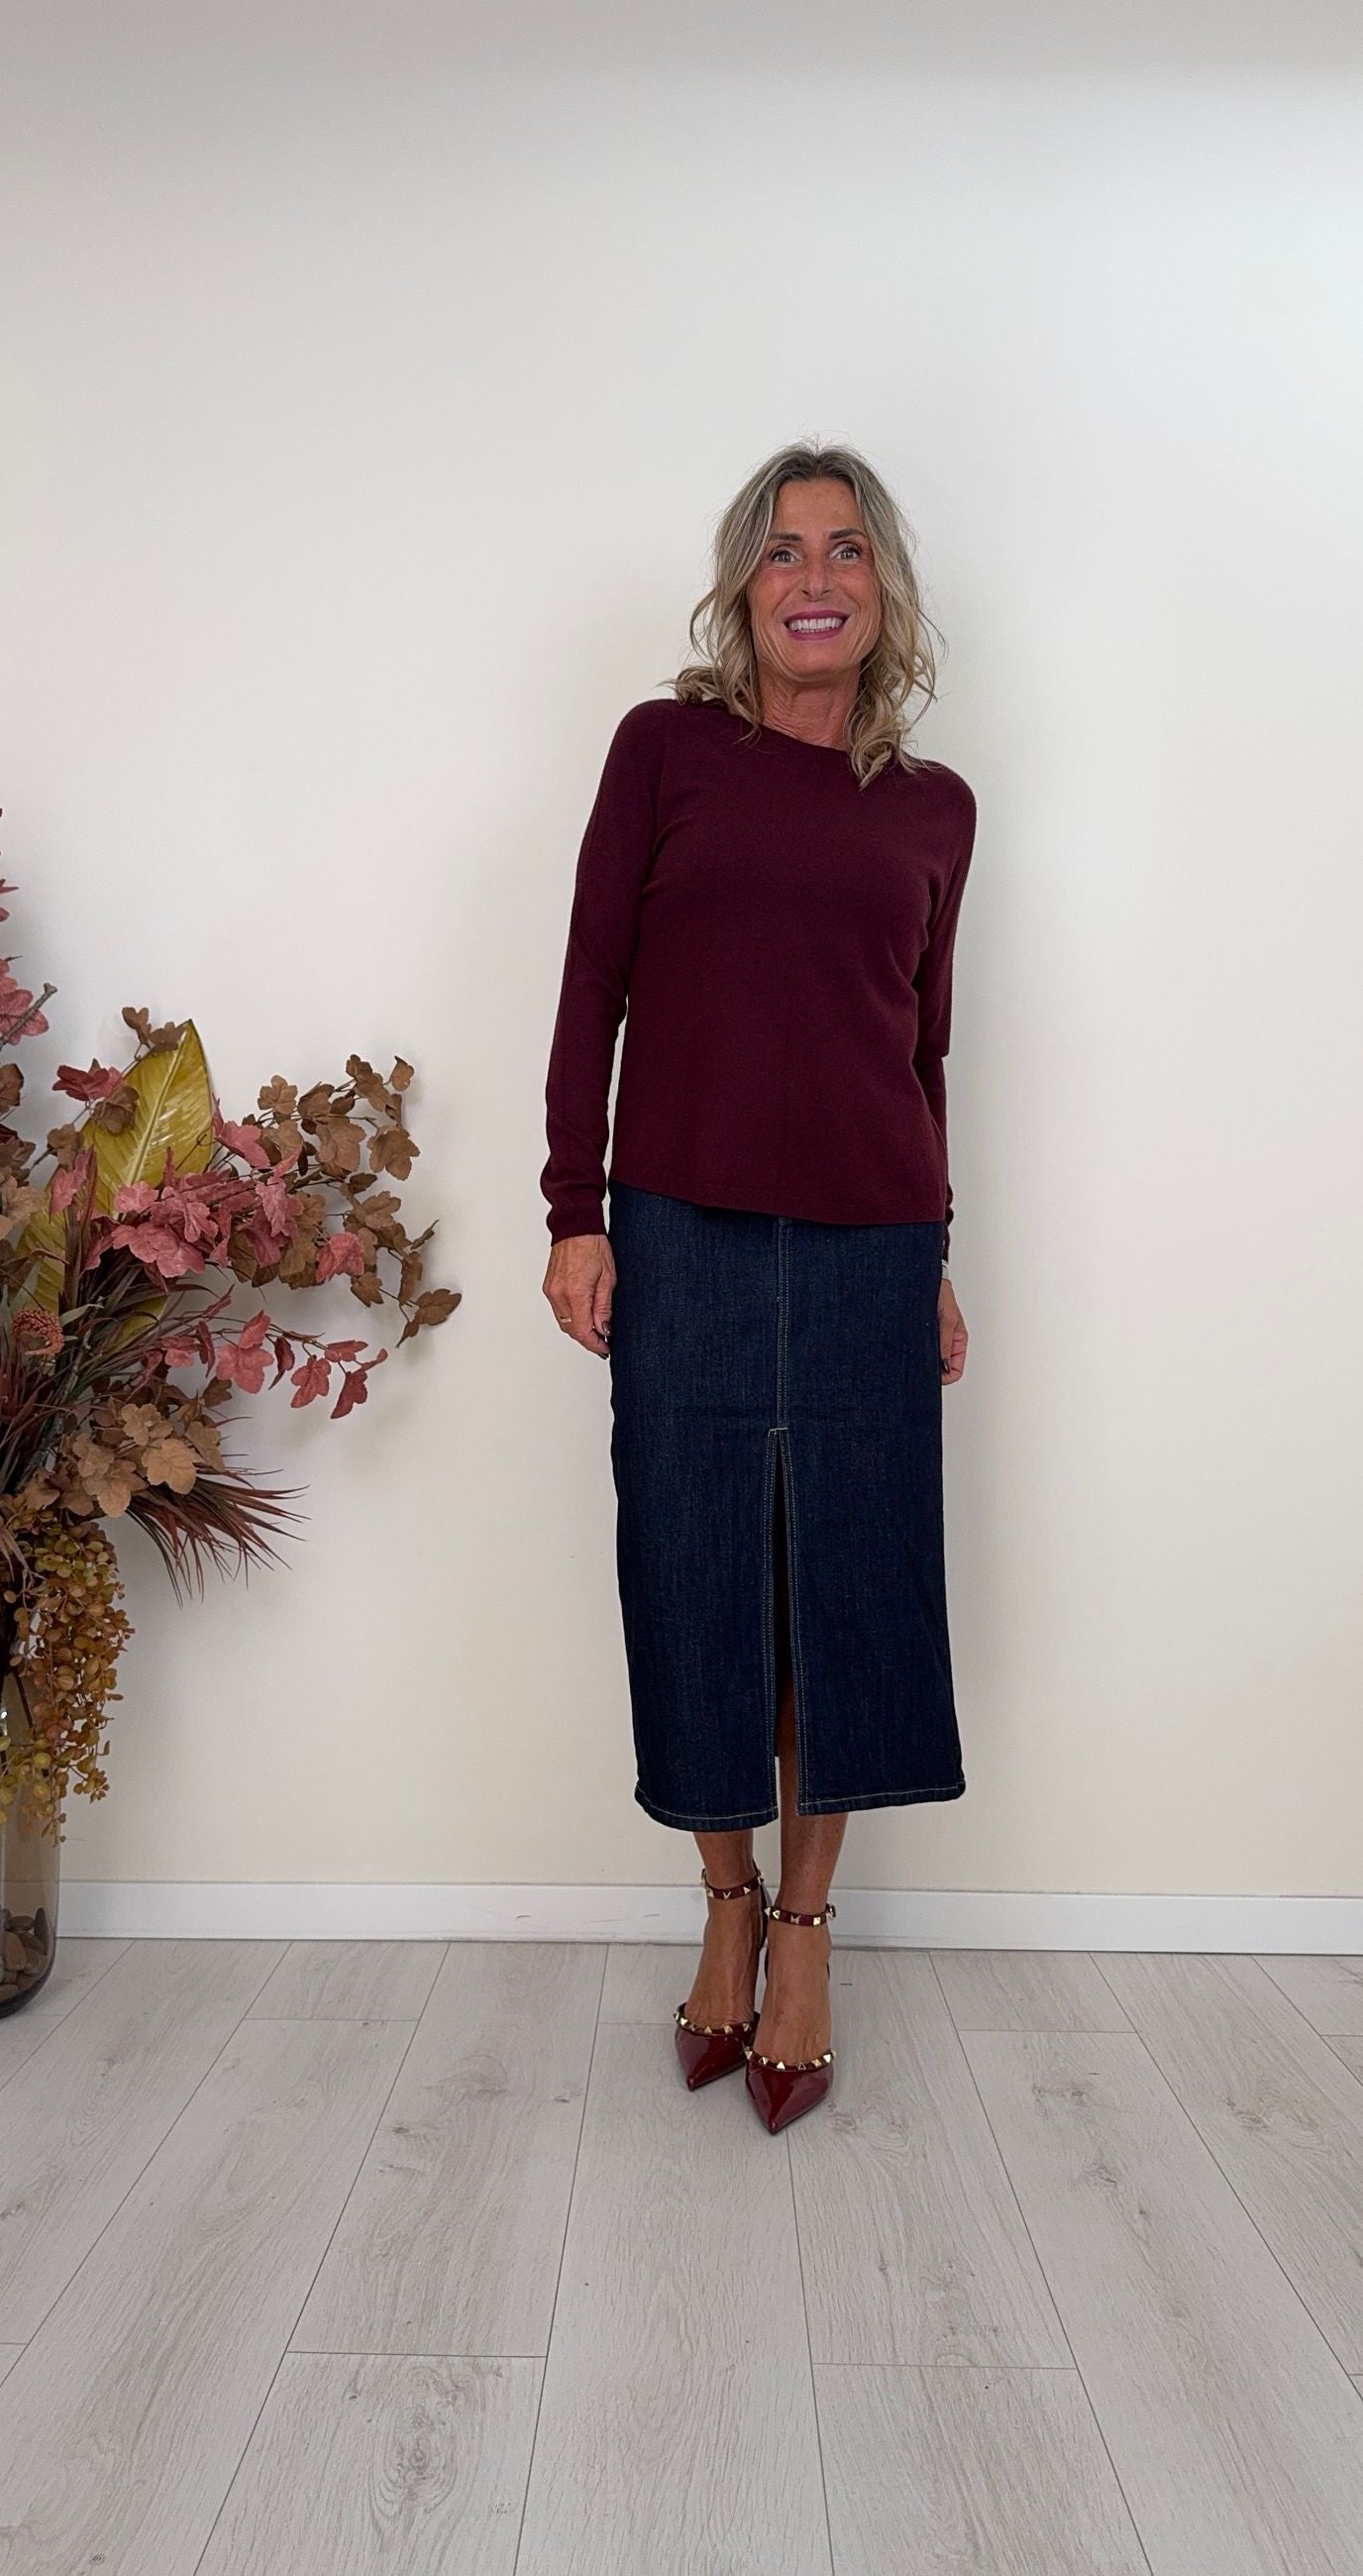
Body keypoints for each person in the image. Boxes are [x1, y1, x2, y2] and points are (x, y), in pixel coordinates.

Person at [539, 439, 976, 2133]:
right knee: (695, 1568)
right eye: (784, 549)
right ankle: (723, 1900)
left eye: (846, 549)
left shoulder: (934, 808)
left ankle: (805, 1931)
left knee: (849, 1587)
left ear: (882, 590)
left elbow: (922, 1049)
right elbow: (593, 985)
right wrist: (577, 1211)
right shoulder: (665, 751)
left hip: (873, 1247)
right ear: (743, 587)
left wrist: (936, 1255)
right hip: (684, 1233)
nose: (816, 577)